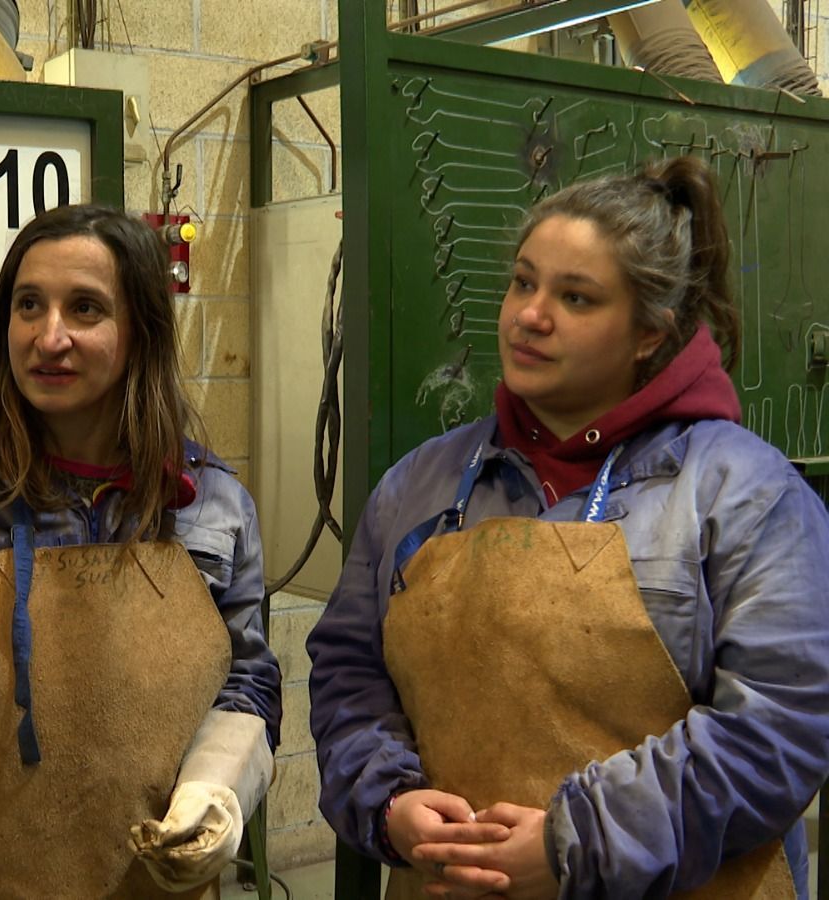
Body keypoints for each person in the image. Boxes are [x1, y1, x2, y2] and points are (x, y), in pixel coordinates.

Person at [307, 155, 829, 899]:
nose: (530, 316)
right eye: (524, 282)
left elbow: (779, 728)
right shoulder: (418, 486)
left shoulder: (744, 495)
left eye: (576, 298)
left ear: (650, 332)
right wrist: (390, 804)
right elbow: (348, 672)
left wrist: (572, 843)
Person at [0, 204, 282, 899]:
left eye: (85, 309)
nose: (48, 336)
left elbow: (247, 682)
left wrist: (217, 791)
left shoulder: (210, 505)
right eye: (28, 305)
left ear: (141, 333)